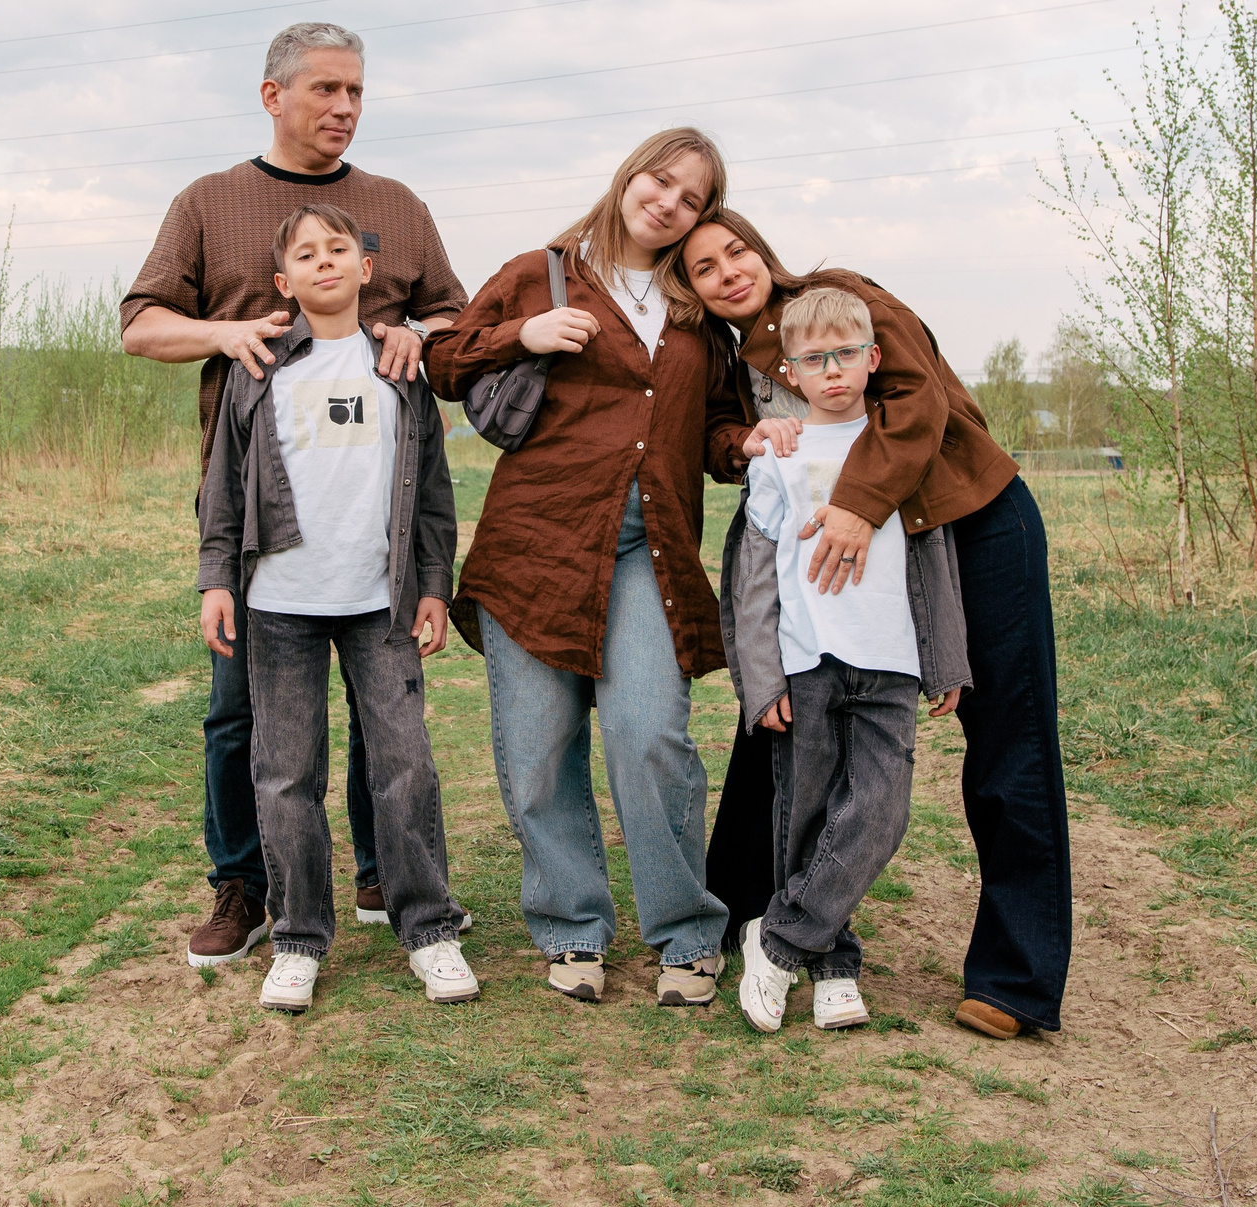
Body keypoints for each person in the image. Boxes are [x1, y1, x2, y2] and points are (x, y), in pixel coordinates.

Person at [121, 22, 469, 968]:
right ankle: (246, 884)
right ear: (273, 95)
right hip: (255, 500)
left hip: (373, 503)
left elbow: (456, 312)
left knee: (378, 704)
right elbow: (141, 324)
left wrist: (423, 336)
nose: (345, 107)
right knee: (245, 712)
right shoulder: (210, 200)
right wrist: (223, 333)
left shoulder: (395, 203)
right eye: (325, 90)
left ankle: (381, 874)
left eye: (356, 91)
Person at [675, 210, 1069, 1041]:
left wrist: (859, 503)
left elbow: (919, 396)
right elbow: (714, 442)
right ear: (691, 289)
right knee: (780, 722)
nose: (729, 271)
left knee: (1010, 742)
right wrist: (747, 436)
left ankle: (1015, 975)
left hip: (966, 520)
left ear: (762, 250)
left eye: (737, 249)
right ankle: (752, 915)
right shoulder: (731, 359)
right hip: (835, 568)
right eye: (704, 266)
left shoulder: (842, 298)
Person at [421, 127, 742, 1008]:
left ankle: (687, 932)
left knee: (650, 737)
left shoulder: (696, 306)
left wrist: (751, 444)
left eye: (691, 198)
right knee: (538, 752)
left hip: (652, 547)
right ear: (629, 175)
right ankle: (572, 925)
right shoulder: (543, 271)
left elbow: (717, 424)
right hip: (539, 542)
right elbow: (443, 360)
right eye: (660, 180)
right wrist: (521, 332)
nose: (668, 202)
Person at [197, 204, 477, 1012]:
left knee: (403, 763)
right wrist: (217, 579)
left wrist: (434, 583)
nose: (324, 261)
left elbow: (431, 491)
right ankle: (297, 937)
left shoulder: (398, 366)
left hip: (379, 602)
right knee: (287, 773)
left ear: (366, 268)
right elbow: (222, 487)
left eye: (338, 248)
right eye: (306, 253)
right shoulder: (258, 369)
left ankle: (430, 927)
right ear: (283, 281)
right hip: (278, 602)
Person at [716, 285, 970, 1033]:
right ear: (790, 371)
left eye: (846, 354)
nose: (832, 370)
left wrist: (946, 659)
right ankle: (834, 965)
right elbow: (754, 578)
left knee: (880, 813)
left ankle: (778, 940)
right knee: (806, 816)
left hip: (890, 660)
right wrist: (760, 677)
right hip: (808, 662)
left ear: (874, 358)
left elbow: (934, 560)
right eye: (815, 359)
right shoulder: (781, 455)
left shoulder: (899, 449)